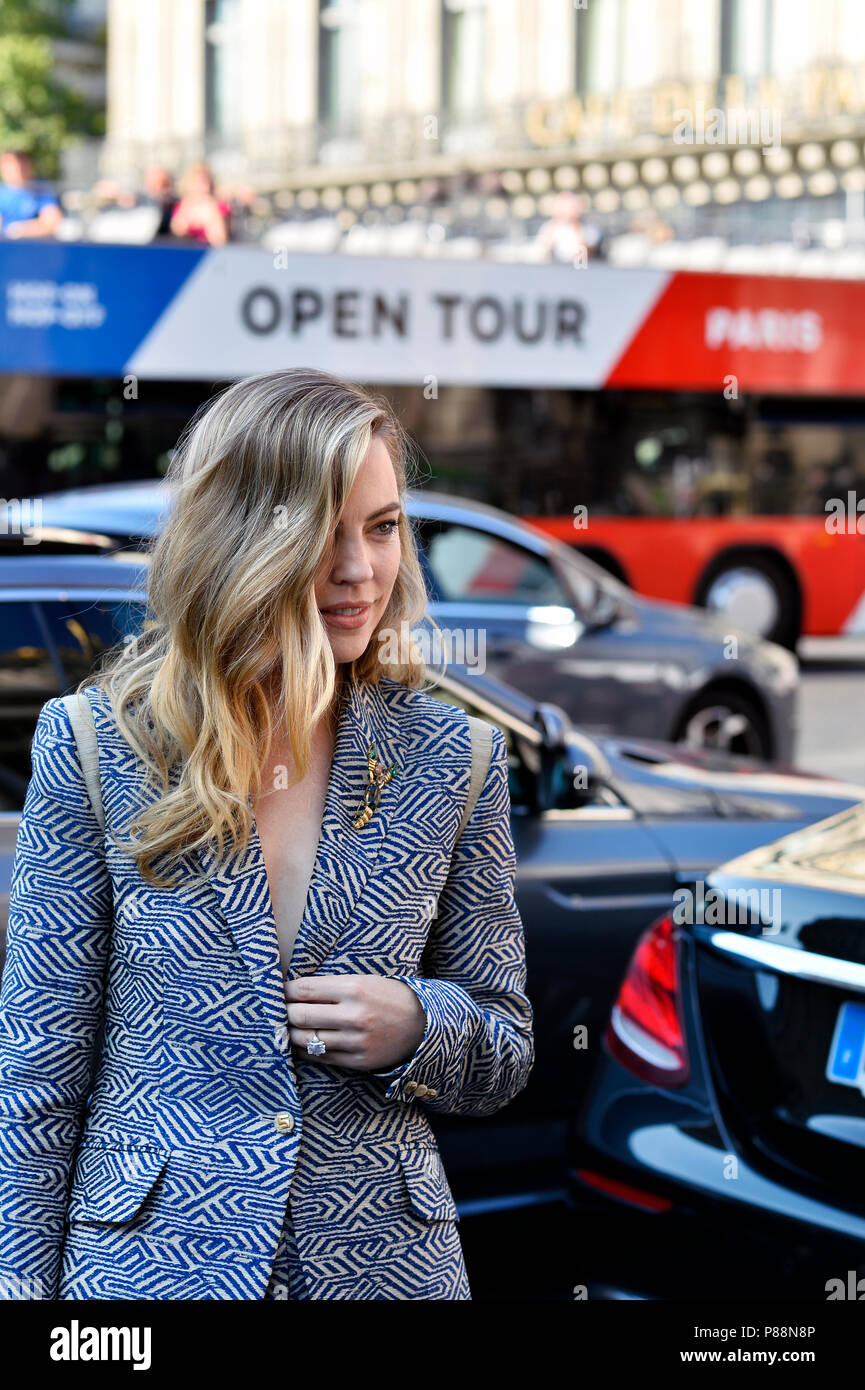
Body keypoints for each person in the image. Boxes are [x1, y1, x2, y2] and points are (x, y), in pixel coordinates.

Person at [0, 367, 534, 1301]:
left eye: (382, 526)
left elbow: (505, 1043)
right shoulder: (95, 747)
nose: (361, 571)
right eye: (321, 533)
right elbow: (36, 1085)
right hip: (149, 1278)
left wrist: (422, 1024)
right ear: (242, 536)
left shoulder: (459, 759)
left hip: (379, 1271)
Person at [0, 150, 62, 239]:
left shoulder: (42, 192)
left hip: (36, 247)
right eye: (11, 168)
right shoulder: (2, 194)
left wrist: (21, 230)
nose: (18, 172)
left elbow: (52, 222)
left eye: (21, 167)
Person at [169, 163, 230, 245]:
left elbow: (219, 238)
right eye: (199, 181)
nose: (204, 185)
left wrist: (210, 212)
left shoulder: (219, 206)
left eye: (206, 181)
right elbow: (177, 230)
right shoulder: (183, 205)